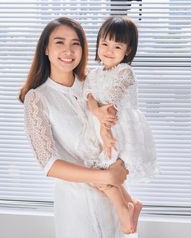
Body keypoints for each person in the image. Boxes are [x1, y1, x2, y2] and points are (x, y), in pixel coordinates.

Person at [19, 17, 129, 238]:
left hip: (115, 201)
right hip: (76, 206)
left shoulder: (95, 86)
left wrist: (119, 167)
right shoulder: (38, 98)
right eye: (59, 42)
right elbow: (49, 164)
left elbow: (120, 129)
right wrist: (107, 178)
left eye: (75, 43)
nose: (68, 50)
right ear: (46, 49)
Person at [78, 16, 158, 234]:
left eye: (117, 46)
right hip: (102, 127)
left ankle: (124, 210)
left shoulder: (125, 72)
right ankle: (132, 203)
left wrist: (104, 128)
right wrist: (95, 110)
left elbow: (112, 103)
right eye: (104, 44)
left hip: (118, 130)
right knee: (100, 174)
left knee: (104, 173)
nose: (109, 50)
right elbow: (88, 95)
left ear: (128, 49)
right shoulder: (94, 73)